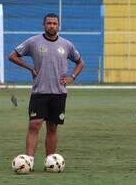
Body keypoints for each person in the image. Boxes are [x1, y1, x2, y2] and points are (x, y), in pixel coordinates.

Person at [9, 13, 84, 170]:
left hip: (59, 93)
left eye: (54, 23)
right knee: (34, 125)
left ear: (58, 26)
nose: (52, 26)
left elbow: (80, 62)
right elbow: (13, 55)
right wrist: (30, 67)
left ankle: (50, 162)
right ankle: (29, 161)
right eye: (49, 23)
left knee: (52, 127)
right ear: (44, 25)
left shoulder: (66, 45)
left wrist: (72, 76)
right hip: (40, 92)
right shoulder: (33, 41)